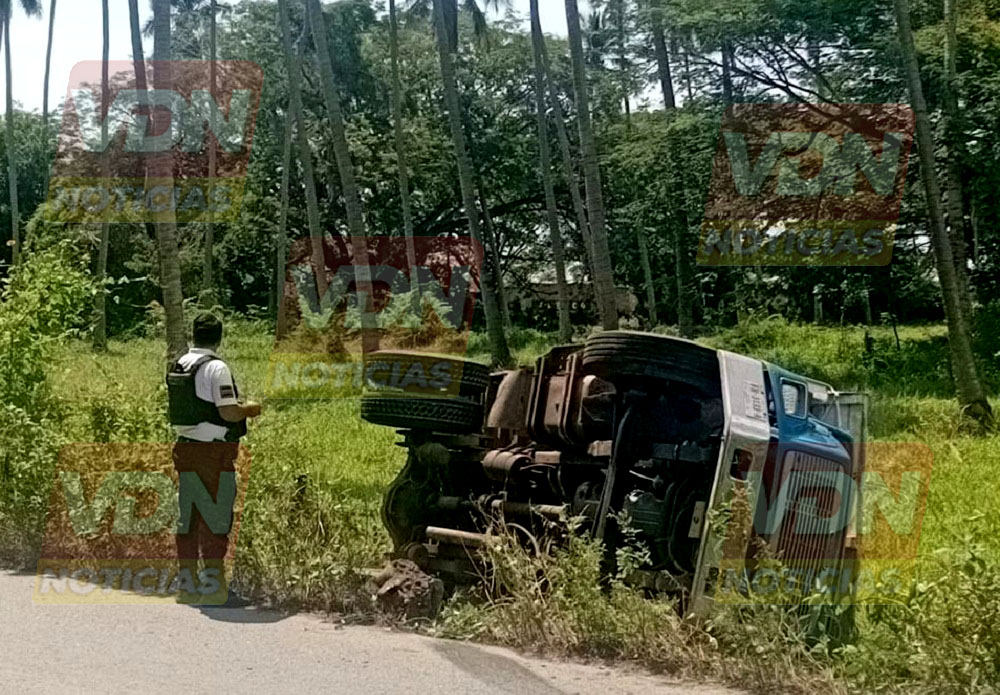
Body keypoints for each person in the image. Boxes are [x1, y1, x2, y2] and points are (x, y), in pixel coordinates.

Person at [166, 312, 261, 604]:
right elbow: (227, 412)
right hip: (213, 452)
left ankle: (188, 587)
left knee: (189, 518)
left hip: (186, 448)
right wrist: (251, 409)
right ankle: (215, 590)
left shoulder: (180, 363)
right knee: (216, 519)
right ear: (219, 337)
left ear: (194, 334)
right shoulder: (216, 367)